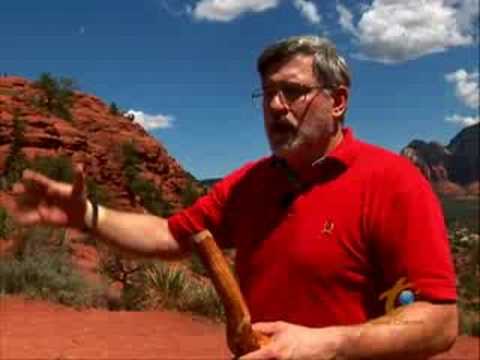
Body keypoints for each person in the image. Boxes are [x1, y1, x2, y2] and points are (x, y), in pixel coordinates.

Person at [6, 35, 458, 359]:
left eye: (294, 92)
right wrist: (87, 214)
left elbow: (440, 321)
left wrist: (326, 344)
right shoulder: (249, 184)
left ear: (338, 101)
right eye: (268, 94)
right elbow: (169, 235)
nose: (276, 106)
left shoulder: (392, 181)